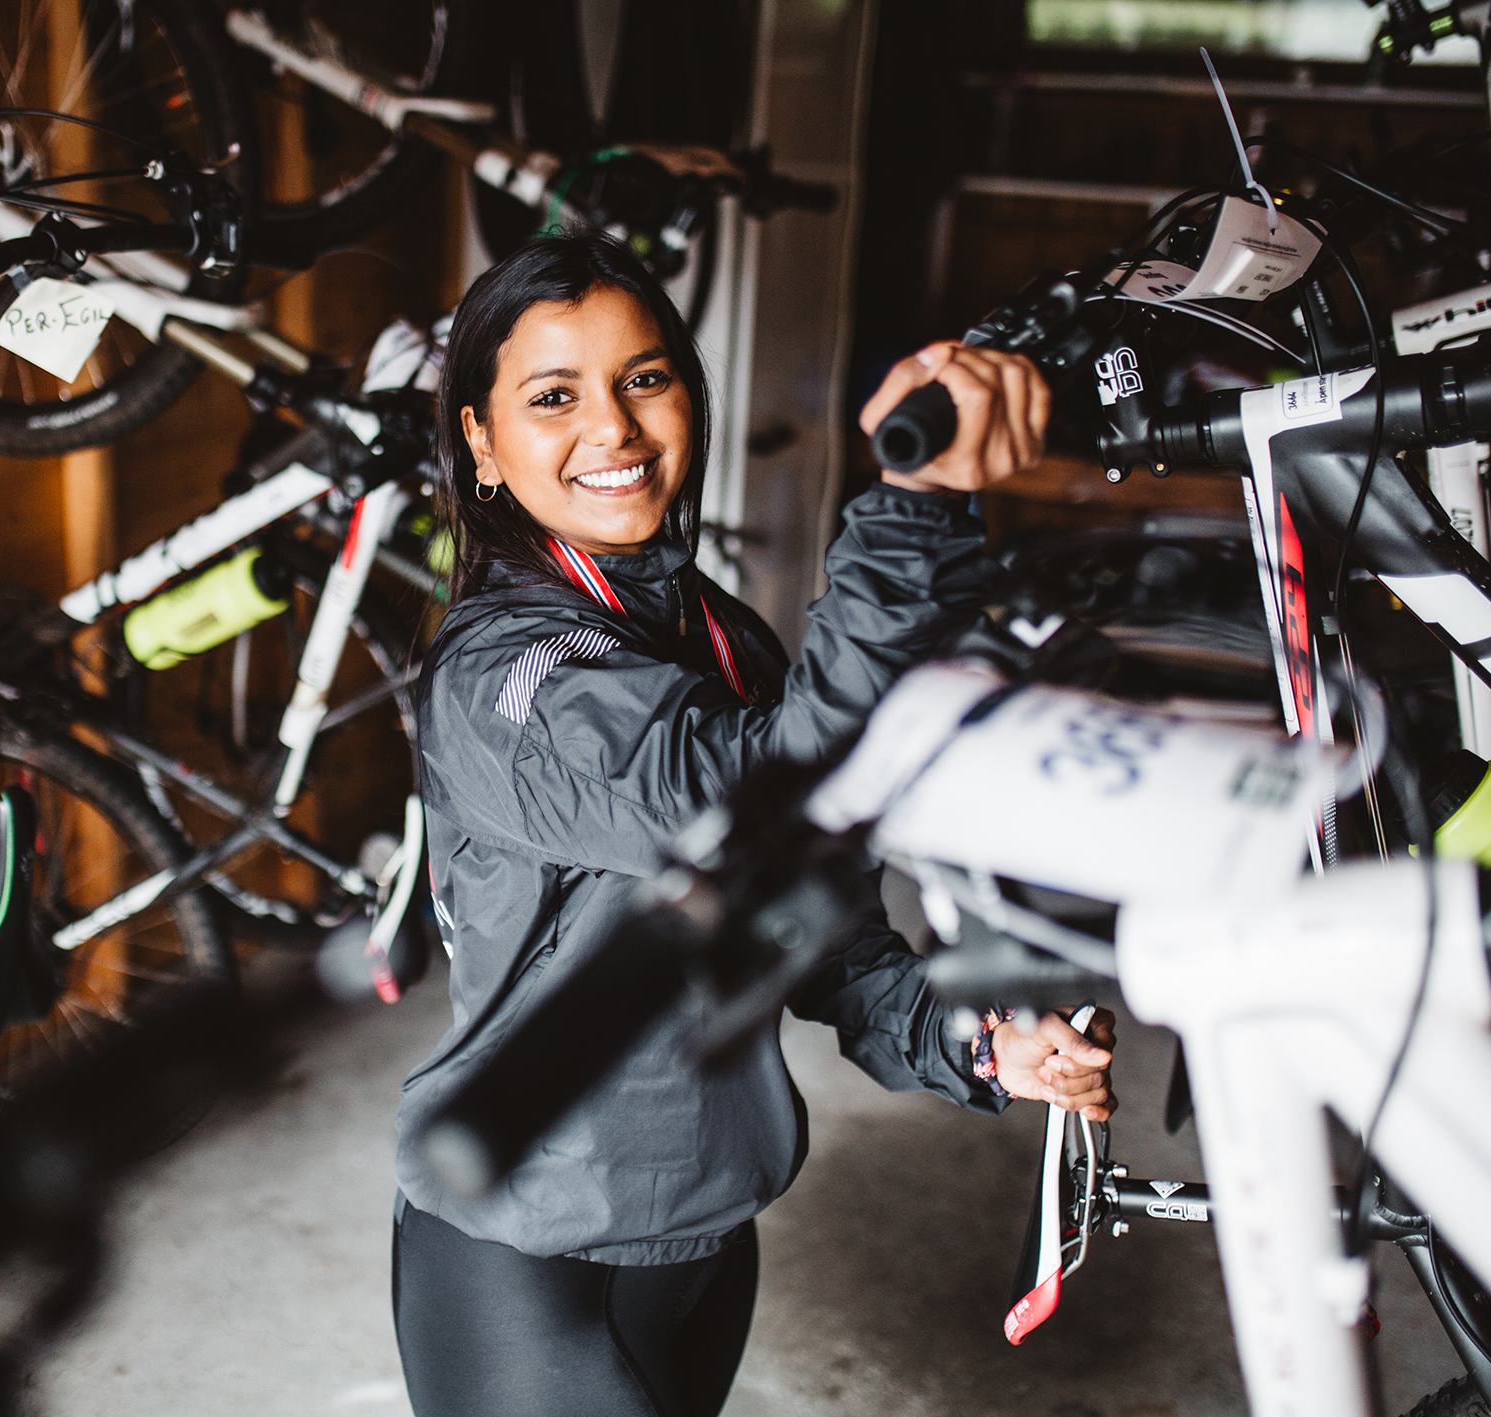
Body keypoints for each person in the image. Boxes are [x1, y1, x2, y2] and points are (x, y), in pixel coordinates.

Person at [391, 233, 1117, 1417]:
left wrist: (974, 1038)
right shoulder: (506, 681)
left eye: (644, 377)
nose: (615, 431)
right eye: (553, 396)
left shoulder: (716, 636)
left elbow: (820, 937)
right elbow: (755, 788)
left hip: (705, 1236)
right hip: (529, 1263)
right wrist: (913, 511)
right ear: (480, 436)